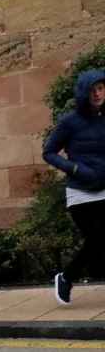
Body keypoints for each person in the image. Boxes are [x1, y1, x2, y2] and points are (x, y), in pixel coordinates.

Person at [44, 69, 105, 305]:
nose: (97, 93)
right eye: (92, 90)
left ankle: (68, 277)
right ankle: (66, 278)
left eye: (100, 88)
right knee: (99, 239)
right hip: (81, 193)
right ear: (83, 93)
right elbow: (48, 152)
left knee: (101, 242)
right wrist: (75, 169)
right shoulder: (70, 122)